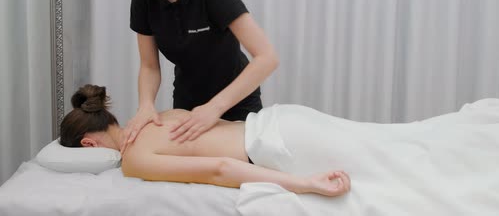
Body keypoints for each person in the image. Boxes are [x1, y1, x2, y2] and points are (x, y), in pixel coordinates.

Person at [106, 0, 279, 152]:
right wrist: (145, 106)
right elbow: (149, 66)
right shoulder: (143, 1)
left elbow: (267, 58)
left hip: (236, 103)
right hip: (187, 107)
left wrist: (215, 108)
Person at [60, 84, 351, 197]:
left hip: (280, 146)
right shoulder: (161, 115)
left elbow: (220, 169)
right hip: (283, 119)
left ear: (88, 145)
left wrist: (305, 184)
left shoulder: (133, 159)